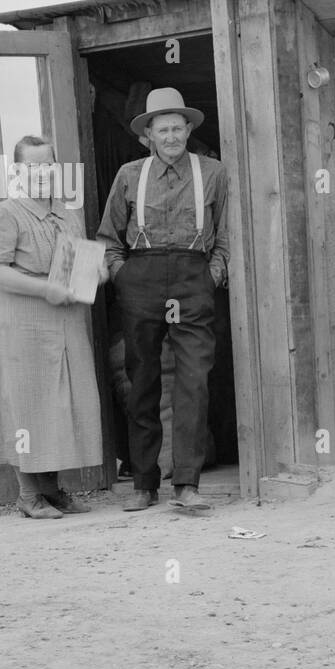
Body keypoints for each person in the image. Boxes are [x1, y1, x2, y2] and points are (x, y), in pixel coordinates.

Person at [97, 88, 229, 513]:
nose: (171, 136)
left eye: (178, 127)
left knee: (194, 382)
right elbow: (108, 239)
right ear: (148, 135)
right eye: (163, 129)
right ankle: (143, 483)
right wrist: (125, 278)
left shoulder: (212, 172)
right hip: (143, 278)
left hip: (193, 277)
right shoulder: (128, 175)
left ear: (189, 129)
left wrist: (210, 277)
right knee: (143, 383)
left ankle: (186, 484)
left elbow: (226, 238)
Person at [0, 136, 106, 518]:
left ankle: (52, 490)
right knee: (26, 402)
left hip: (64, 320)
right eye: (31, 167)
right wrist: (44, 289)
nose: (40, 173)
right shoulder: (6, 214)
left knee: (60, 402)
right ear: (17, 172)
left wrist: (95, 271)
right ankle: (27, 494)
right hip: (21, 320)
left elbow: (76, 262)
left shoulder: (67, 214)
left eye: (46, 165)